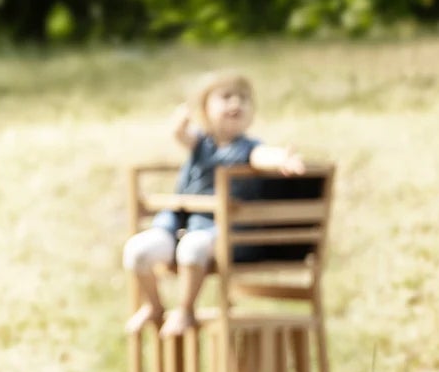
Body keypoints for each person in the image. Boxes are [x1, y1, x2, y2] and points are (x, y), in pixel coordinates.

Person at [122, 71, 306, 338]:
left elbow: (262, 155)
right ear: (205, 110)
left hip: (215, 230)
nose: (236, 104)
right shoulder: (201, 144)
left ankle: (186, 309)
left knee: (193, 247)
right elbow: (180, 135)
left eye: (243, 98)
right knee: (137, 250)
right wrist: (180, 122)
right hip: (176, 224)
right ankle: (154, 306)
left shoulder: (247, 148)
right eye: (226, 97)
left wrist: (282, 159)